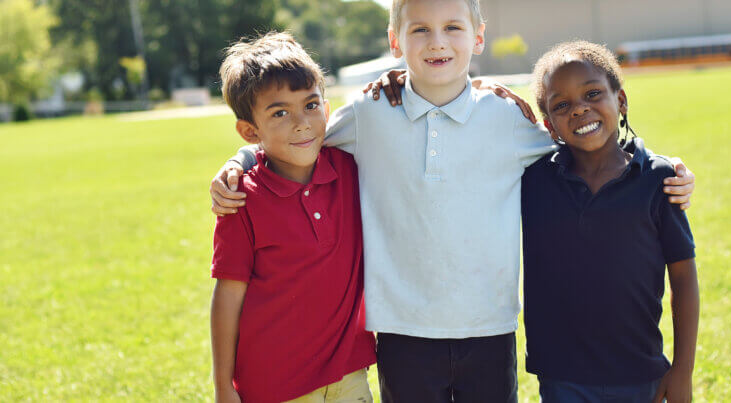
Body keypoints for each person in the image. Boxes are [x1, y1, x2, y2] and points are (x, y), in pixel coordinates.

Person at [210, 1, 695, 401]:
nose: (437, 41)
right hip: (402, 331)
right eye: (419, 29)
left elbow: (587, 140)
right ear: (395, 40)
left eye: (452, 28)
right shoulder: (369, 113)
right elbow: (297, 137)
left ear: (477, 37)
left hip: (489, 327)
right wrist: (242, 159)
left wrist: (659, 165)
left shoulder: (507, 118)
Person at [521, 41, 699, 403]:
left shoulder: (659, 179)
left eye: (592, 94)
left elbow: (684, 278)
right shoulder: (532, 181)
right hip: (561, 377)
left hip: (640, 373)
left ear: (620, 101)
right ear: (549, 125)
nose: (580, 110)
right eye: (562, 105)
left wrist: (682, 370)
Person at [209, 32, 376, 403]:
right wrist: (223, 386)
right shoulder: (240, 200)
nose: (302, 122)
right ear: (250, 131)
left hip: (349, 371)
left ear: (327, 108)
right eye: (280, 113)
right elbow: (228, 296)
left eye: (311, 105)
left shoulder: (351, 168)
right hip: (275, 385)